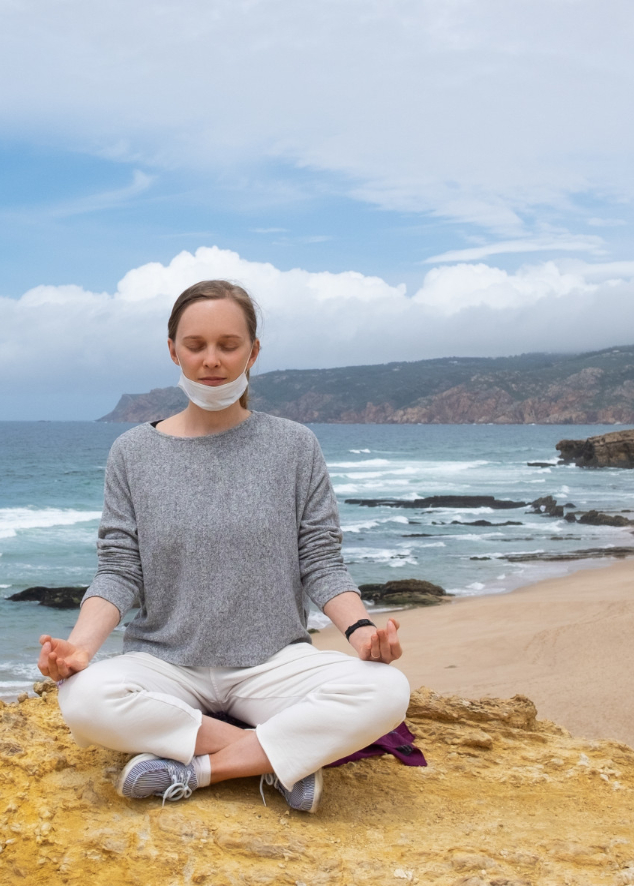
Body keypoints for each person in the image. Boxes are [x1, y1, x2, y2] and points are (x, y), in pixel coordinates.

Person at [37, 279, 410, 812]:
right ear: (173, 351)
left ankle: (198, 771)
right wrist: (80, 649)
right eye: (196, 345)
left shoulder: (294, 445)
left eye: (228, 345)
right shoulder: (132, 452)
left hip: (273, 662)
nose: (211, 360)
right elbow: (120, 569)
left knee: (387, 691)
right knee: (83, 699)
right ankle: (275, 756)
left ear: (252, 352)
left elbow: (321, 561)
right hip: (165, 662)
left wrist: (362, 631)